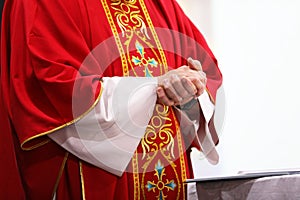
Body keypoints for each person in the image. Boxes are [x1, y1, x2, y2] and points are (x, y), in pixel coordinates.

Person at [0, 0, 222, 199]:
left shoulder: (160, 4)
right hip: (95, 179)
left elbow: (205, 71)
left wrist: (191, 89)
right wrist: (153, 89)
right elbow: (52, 85)